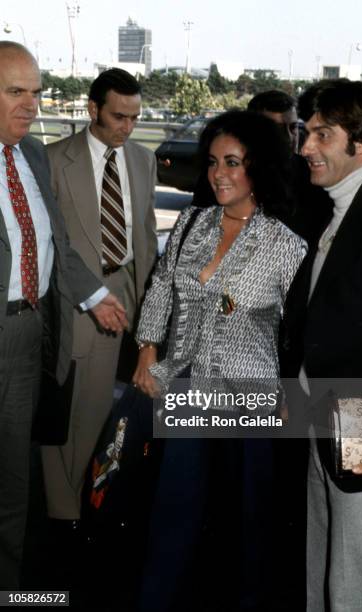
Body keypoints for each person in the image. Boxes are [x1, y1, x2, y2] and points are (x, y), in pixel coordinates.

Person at [132, 110, 306, 611]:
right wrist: (147, 349)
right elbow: (162, 287)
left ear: (259, 168)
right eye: (212, 162)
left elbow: (296, 332)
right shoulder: (190, 223)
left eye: (233, 162)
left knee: (246, 526)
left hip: (251, 402)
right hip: (186, 389)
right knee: (174, 513)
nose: (218, 173)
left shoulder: (286, 245)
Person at [0, 41, 128, 589]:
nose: (31, 105)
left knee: (13, 483)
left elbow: (57, 245)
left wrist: (95, 296)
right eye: (15, 92)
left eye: (36, 93)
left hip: (28, 336)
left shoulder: (29, 155)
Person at [280, 78, 362, 612]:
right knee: (323, 556)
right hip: (325, 406)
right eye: (304, 133)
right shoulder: (335, 208)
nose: (305, 148)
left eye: (321, 135)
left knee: (359, 575)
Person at [40, 68, 157, 528]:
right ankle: (64, 512)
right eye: (118, 117)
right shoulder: (52, 159)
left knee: (111, 410)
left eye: (134, 118)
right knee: (77, 411)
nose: (127, 128)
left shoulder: (143, 162)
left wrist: (153, 310)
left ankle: (83, 506)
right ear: (92, 110)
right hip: (80, 297)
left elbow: (145, 237)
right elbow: (52, 242)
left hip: (130, 292)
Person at [247, 89, 333, 246]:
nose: (288, 137)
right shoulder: (229, 175)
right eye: (276, 129)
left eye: (293, 127)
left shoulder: (314, 175)